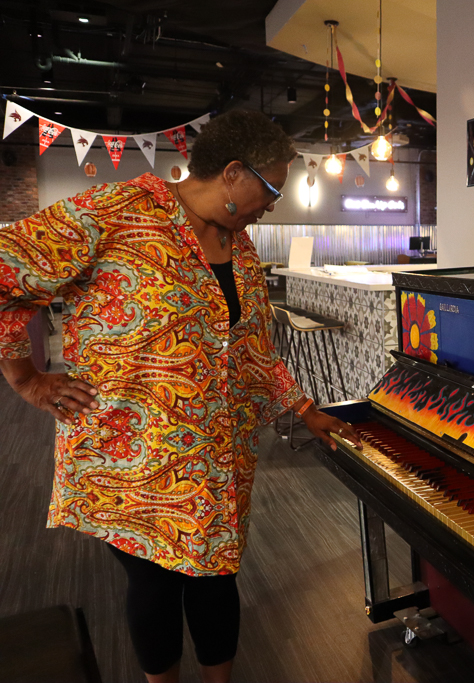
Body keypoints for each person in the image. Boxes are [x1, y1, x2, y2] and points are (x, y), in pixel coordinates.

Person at [0, 110, 361, 683]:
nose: (275, 204)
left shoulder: (237, 244)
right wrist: (25, 378)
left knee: (217, 576)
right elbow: (4, 272)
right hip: (133, 456)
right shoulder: (116, 214)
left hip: (220, 459)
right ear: (233, 173)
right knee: (155, 582)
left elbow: (253, 347)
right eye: (272, 188)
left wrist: (304, 409)